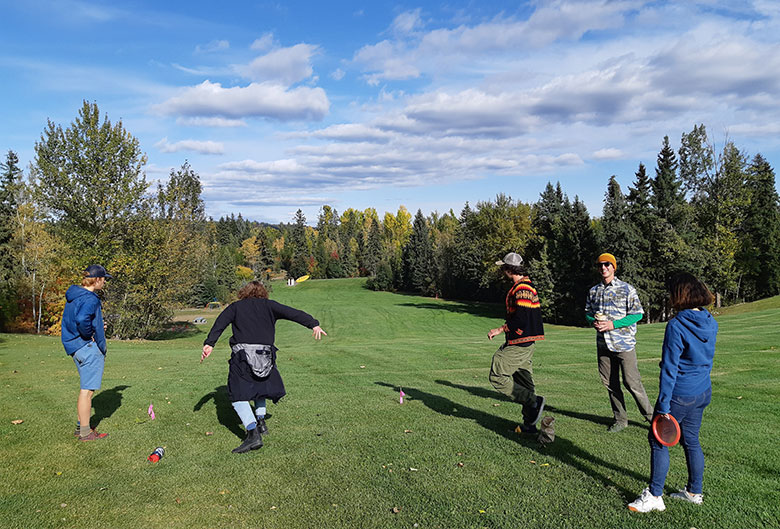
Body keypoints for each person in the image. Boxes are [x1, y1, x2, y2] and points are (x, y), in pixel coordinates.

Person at [201, 280, 327, 454]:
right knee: (260, 389)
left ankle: (253, 434)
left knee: (237, 395)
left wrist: (209, 344)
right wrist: (313, 323)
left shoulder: (236, 307)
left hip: (242, 357)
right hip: (266, 357)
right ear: (262, 293)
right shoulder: (270, 306)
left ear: (243, 292)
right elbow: (293, 313)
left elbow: (220, 324)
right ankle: (261, 423)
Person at [628, 273, 717, 513]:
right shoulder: (710, 320)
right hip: (702, 391)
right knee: (691, 440)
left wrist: (664, 407)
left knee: (657, 441)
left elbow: (669, 369)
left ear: (679, 295)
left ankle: (655, 495)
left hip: (680, 394)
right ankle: (694, 491)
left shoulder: (677, 325)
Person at [585, 252, 653, 433]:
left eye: (607, 264)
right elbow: (588, 312)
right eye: (600, 265)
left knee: (632, 383)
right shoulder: (594, 291)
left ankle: (652, 418)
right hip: (603, 345)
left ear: (614, 267)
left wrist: (612, 324)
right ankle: (620, 419)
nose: (603, 268)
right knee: (610, 383)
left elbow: (638, 314)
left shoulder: (627, 289)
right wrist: (593, 321)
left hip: (624, 344)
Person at [486, 252, 545, 433]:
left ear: (509, 269)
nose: (502, 271)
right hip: (523, 341)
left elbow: (521, 318)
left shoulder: (522, 289)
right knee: (525, 382)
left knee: (497, 375)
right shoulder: (523, 287)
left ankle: (534, 401)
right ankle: (530, 425)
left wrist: (500, 329)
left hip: (520, 342)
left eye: (504, 267)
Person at [61, 264, 112, 441]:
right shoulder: (91, 298)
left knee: (85, 388)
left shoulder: (74, 296)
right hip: (87, 347)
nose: (104, 282)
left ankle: (80, 426)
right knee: (87, 391)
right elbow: (83, 319)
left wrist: (97, 326)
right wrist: (90, 333)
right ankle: (85, 432)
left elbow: (76, 319)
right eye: (104, 279)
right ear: (96, 279)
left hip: (74, 346)